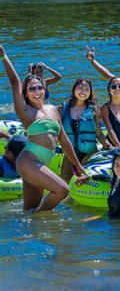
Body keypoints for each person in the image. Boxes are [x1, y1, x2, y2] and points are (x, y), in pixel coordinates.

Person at [0, 45, 86, 211]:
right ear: (25, 92)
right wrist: (4, 57)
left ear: (45, 88)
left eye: (39, 87)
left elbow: (64, 139)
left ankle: (30, 229)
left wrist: (77, 165)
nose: (37, 91)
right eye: (32, 88)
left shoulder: (52, 109)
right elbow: (14, 82)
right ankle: (39, 217)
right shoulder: (25, 111)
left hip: (42, 162)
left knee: (30, 209)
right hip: (29, 161)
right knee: (62, 190)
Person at [57, 78, 113, 182]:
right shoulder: (62, 108)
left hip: (90, 153)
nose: (83, 91)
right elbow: (56, 132)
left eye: (87, 89)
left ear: (90, 92)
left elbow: (99, 134)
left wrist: (109, 146)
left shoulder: (94, 109)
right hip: (70, 154)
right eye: (80, 88)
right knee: (64, 185)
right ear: (74, 89)